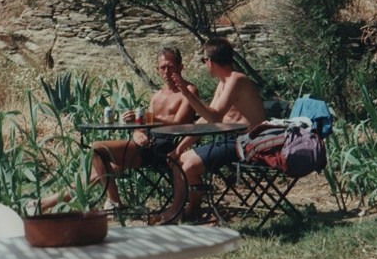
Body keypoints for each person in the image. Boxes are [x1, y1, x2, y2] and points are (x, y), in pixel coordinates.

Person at [36, 46, 198, 212]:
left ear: (180, 67)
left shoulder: (189, 91)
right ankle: (44, 204)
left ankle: (114, 202)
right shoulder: (157, 96)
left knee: (97, 148)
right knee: (95, 173)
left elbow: (179, 122)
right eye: (162, 67)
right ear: (157, 70)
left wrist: (147, 118)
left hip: (167, 148)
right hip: (146, 146)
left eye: (170, 66)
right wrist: (137, 132)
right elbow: (143, 126)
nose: (166, 71)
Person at [152, 37, 266, 224]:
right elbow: (206, 120)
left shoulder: (236, 80)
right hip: (232, 141)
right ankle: (181, 210)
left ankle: (187, 211)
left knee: (188, 165)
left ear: (210, 62)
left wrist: (186, 93)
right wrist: (179, 148)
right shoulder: (223, 83)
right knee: (179, 159)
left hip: (248, 143)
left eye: (204, 61)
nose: (204, 65)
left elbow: (214, 117)